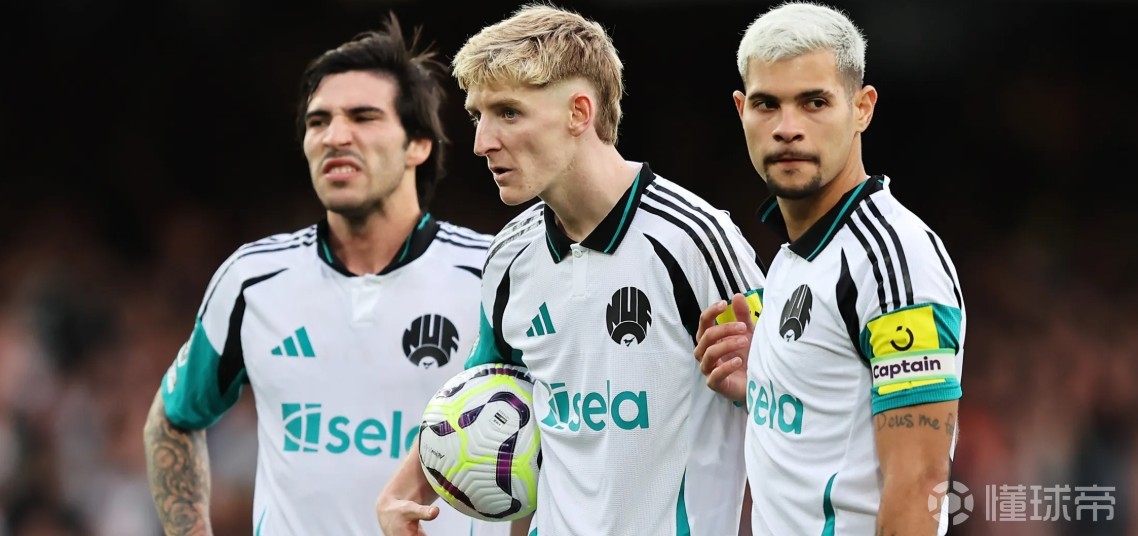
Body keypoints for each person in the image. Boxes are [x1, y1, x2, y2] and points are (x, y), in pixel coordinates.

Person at [377, 4, 766, 536]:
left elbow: (787, 399)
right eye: (477, 116)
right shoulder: (510, 255)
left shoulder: (694, 239)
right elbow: (482, 391)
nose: (482, 142)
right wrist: (405, 488)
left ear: (579, 112)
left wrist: (760, 381)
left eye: (508, 113)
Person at [142, 14, 510, 536]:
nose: (335, 136)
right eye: (318, 122)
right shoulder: (253, 280)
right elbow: (171, 419)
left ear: (418, 144)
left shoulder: (495, 274)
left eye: (363, 117)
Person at [695, 2, 966, 535]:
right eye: (767, 104)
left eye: (814, 102)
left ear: (862, 108)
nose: (787, 128)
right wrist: (768, 379)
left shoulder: (894, 260)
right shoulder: (797, 255)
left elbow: (920, 485)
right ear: (741, 110)